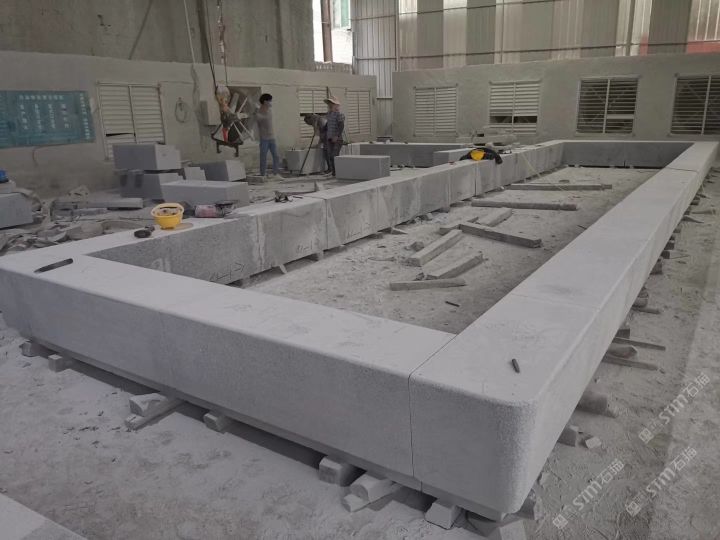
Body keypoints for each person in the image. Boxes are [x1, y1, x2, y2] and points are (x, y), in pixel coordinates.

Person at [255, 93, 281, 179]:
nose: (271, 102)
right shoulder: (258, 113)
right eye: (270, 101)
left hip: (272, 138)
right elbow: (257, 127)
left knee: (276, 156)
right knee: (263, 157)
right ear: (265, 101)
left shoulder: (269, 111)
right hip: (264, 139)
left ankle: (275, 174)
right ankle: (262, 175)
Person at [324, 96, 345, 176]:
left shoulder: (339, 114)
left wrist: (336, 136)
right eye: (329, 103)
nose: (329, 105)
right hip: (329, 138)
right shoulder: (329, 114)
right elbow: (328, 125)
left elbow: (341, 126)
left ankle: (337, 172)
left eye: (331, 103)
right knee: (330, 156)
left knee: (334, 156)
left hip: (337, 139)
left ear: (336, 105)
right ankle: (334, 173)